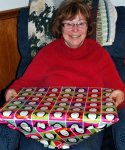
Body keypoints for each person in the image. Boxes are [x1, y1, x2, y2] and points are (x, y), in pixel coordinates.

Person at [0, 0, 125, 150]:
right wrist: (13, 90)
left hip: (88, 124)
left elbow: (118, 89)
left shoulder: (100, 54)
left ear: (88, 26)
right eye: (69, 23)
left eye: (81, 23)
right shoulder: (47, 53)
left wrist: (120, 95)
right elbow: (27, 81)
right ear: (61, 26)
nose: (75, 29)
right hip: (46, 121)